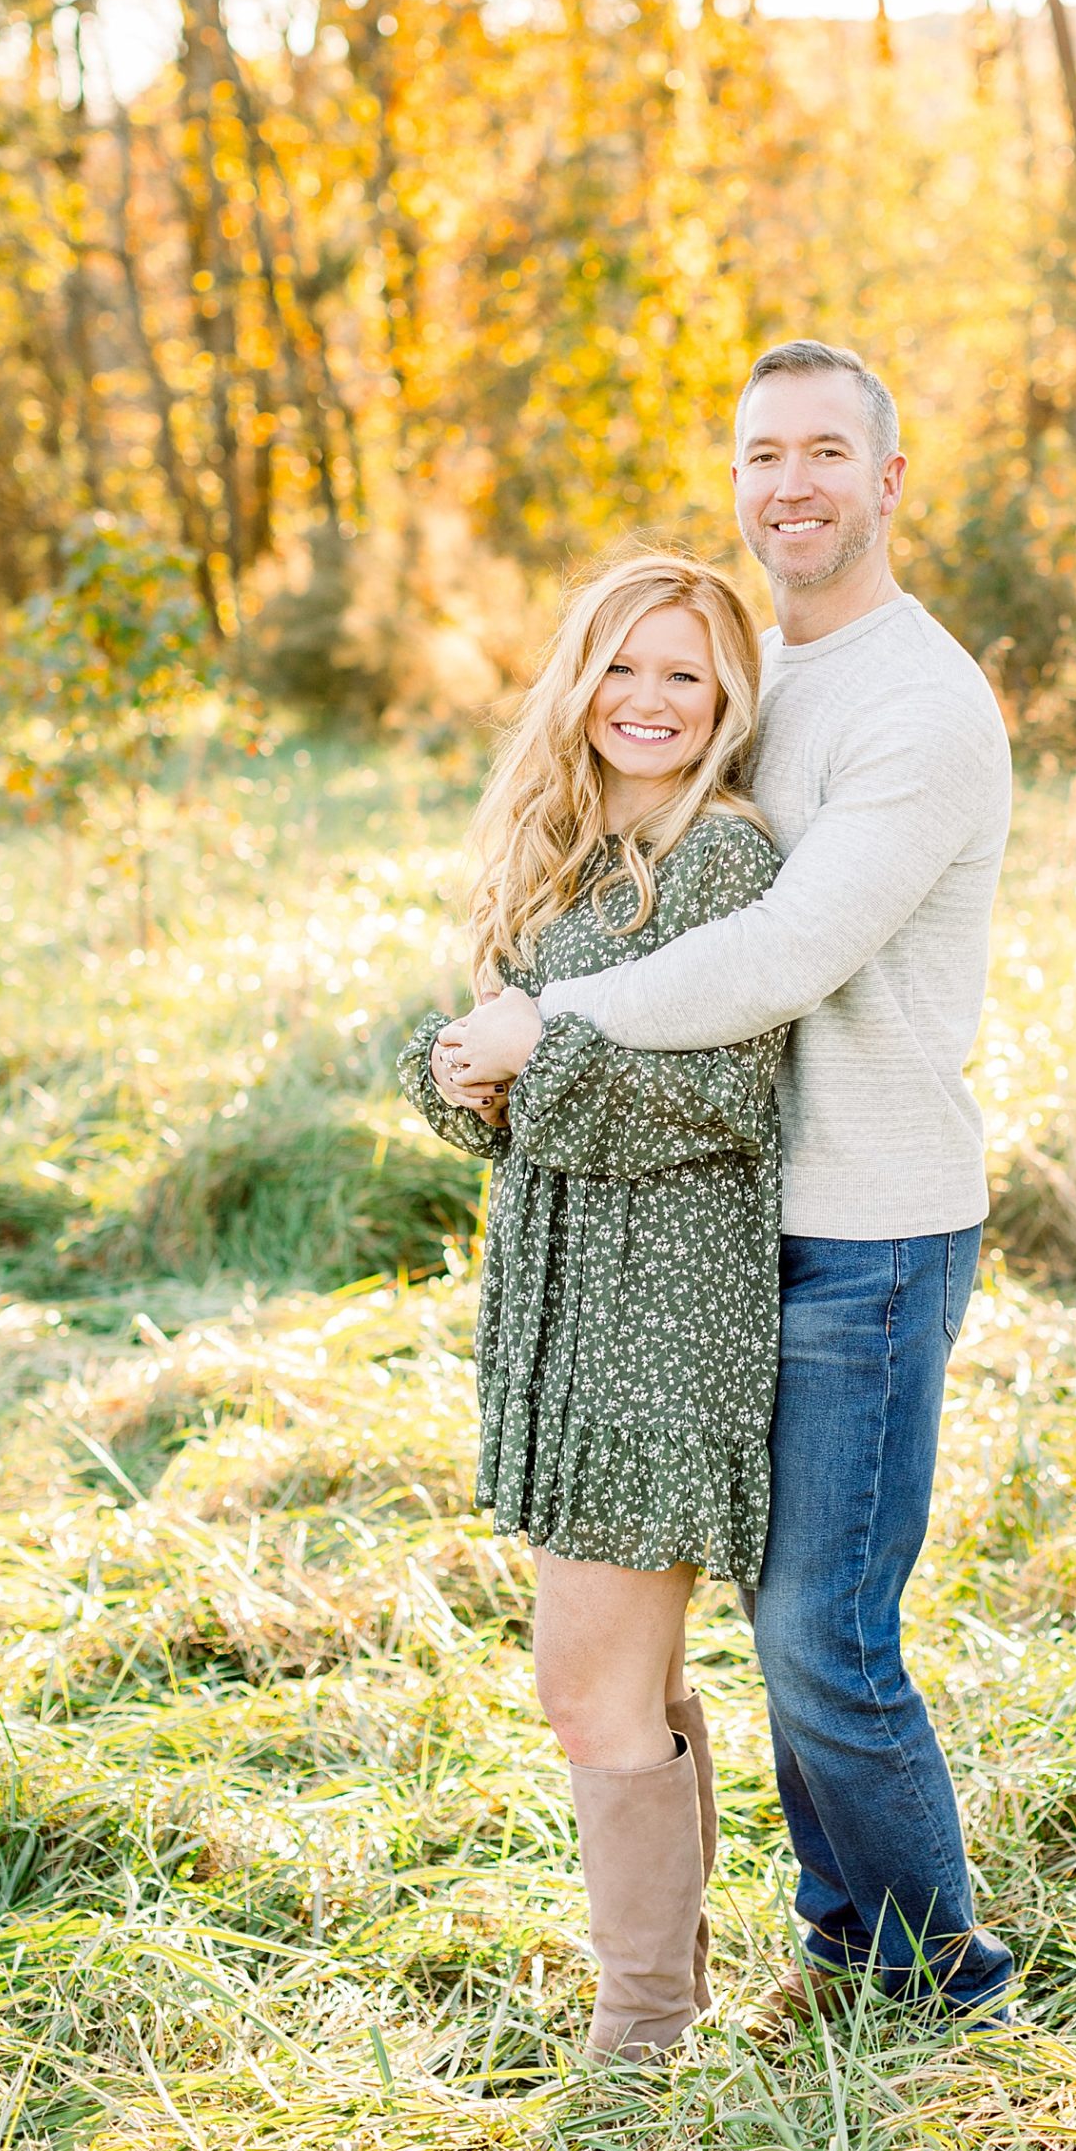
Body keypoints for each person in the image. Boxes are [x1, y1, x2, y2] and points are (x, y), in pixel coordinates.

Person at [453, 340, 1017, 2026]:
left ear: (888, 480)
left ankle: (928, 1967)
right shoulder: (762, 670)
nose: (792, 485)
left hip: (868, 1223)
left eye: (827, 452)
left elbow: (785, 946)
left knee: (820, 1643)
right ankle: (829, 1926)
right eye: (763, 453)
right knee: (771, 1635)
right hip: (720, 1230)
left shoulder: (919, 702)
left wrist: (536, 1026)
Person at [398, 550, 787, 2062]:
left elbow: (724, 1097)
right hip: (561, 1291)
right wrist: (457, 1067)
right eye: (621, 666)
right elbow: (508, 1057)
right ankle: (667, 2001)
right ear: (580, 680)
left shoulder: (727, 860)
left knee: (584, 1688)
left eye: (681, 673)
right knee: (631, 1679)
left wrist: (526, 1056)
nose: (647, 700)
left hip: (664, 1303)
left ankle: (638, 2035)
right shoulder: (563, 846)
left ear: (726, 697)